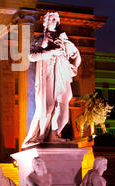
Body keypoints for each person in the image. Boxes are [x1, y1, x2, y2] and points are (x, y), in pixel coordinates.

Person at [22, 12, 81, 148]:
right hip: (47, 77)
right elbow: (31, 56)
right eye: (51, 18)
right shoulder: (40, 39)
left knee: (63, 106)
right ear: (46, 22)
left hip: (61, 76)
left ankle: (55, 133)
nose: (54, 21)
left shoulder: (64, 40)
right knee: (48, 106)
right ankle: (46, 134)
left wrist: (73, 65)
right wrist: (51, 52)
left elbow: (76, 55)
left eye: (56, 19)